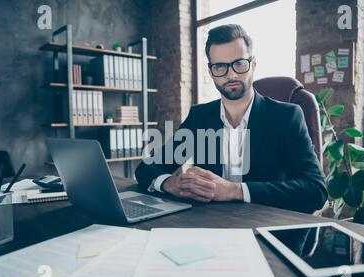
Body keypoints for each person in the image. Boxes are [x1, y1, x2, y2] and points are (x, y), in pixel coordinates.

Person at [135, 24, 327, 213]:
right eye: (220, 66)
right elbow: (146, 168)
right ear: (211, 72)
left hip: (267, 226)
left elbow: (315, 191)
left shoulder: (287, 117)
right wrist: (169, 183)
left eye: (239, 63)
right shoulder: (199, 117)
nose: (231, 74)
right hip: (212, 226)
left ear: (253, 64)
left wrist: (235, 190)